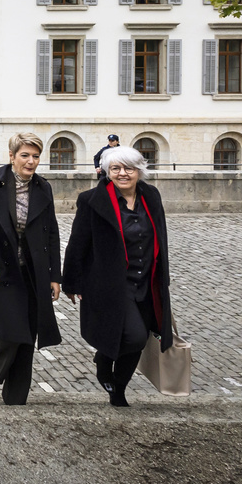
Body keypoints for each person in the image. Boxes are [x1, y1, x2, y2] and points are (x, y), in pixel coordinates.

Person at [63, 146, 175, 407]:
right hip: (111, 283)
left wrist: (162, 278)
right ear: (106, 172)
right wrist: (71, 281)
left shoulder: (151, 196)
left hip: (146, 281)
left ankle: (119, 389)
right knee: (134, 336)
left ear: (139, 171)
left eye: (129, 168)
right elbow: (78, 242)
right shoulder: (92, 200)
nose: (123, 174)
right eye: (116, 169)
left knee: (142, 336)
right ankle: (104, 359)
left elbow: (161, 237)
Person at [0, 133, 62, 405]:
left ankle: (16, 397)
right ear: (11, 156)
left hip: (33, 270)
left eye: (35, 156)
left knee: (29, 332)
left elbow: (51, 233)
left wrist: (55, 276)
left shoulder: (43, 188)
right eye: (25, 155)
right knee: (13, 326)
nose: (31, 162)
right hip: (2, 269)